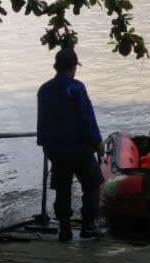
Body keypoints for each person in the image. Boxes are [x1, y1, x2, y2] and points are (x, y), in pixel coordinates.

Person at [36, 48, 105, 241]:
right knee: (93, 185)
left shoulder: (44, 90)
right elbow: (86, 117)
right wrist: (97, 141)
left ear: (55, 66)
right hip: (79, 148)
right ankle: (88, 226)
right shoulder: (76, 88)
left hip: (56, 150)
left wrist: (43, 143)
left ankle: (64, 229)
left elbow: (42, 120)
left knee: (62, 188)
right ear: (73, 67)